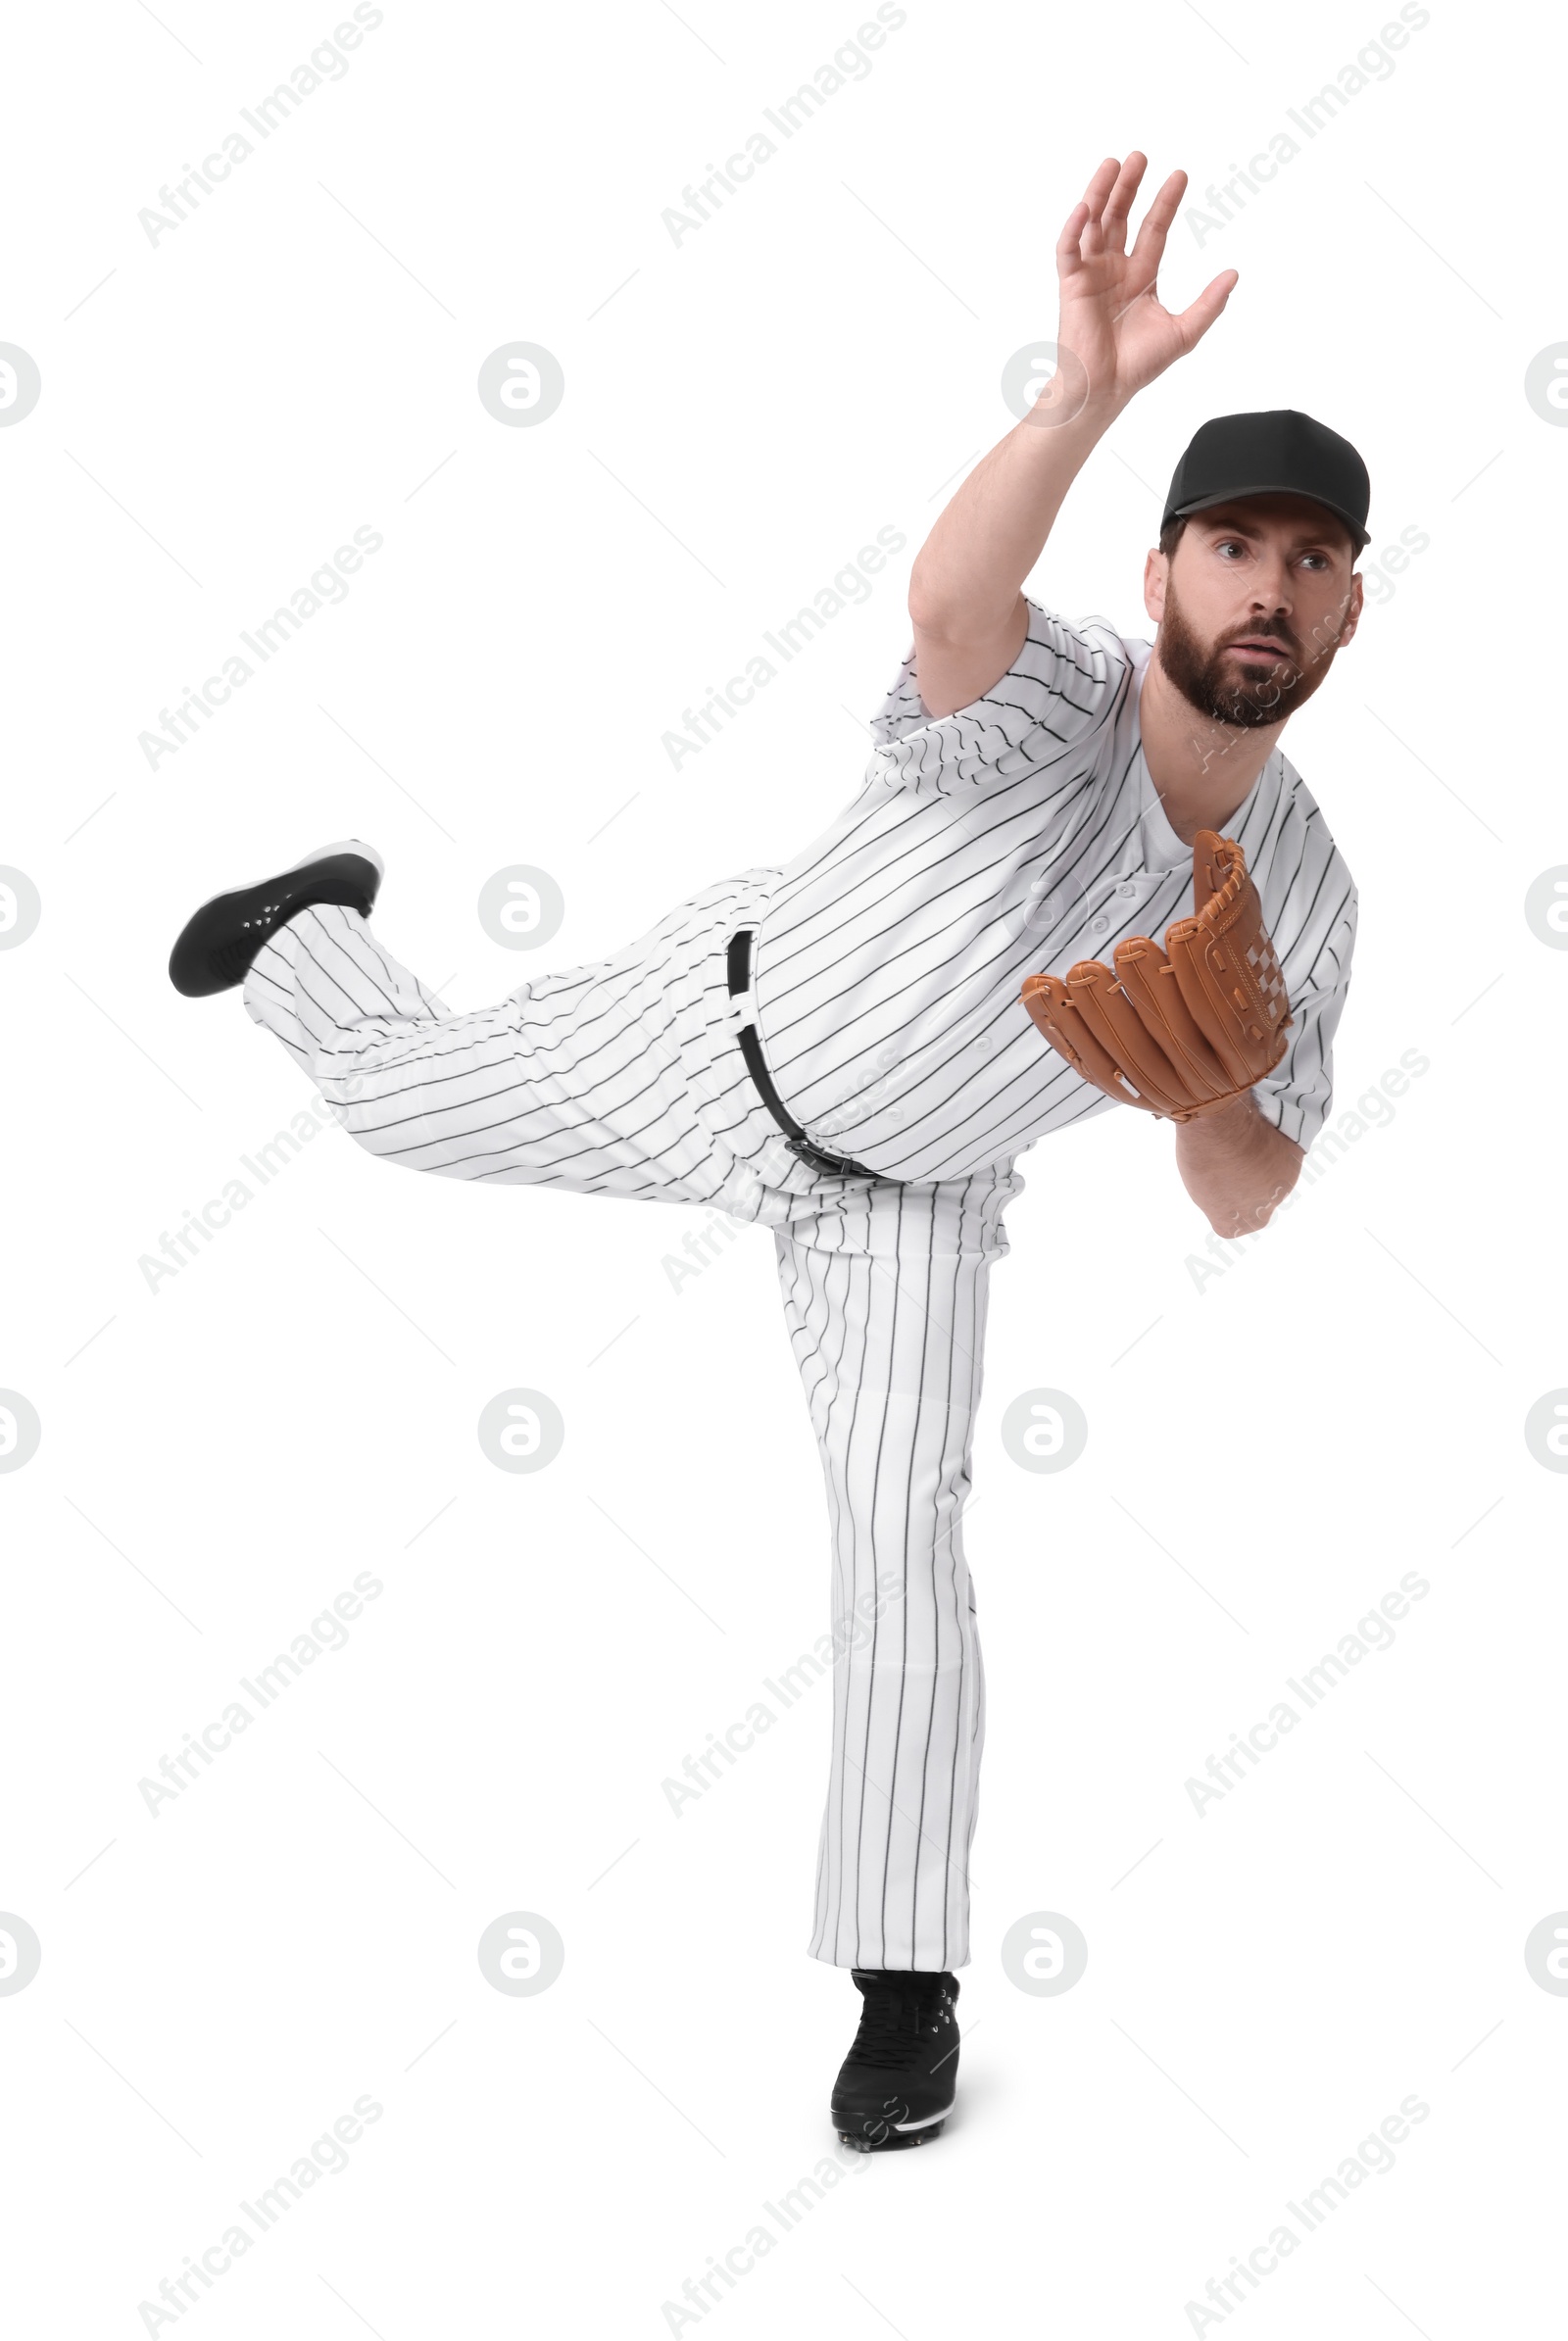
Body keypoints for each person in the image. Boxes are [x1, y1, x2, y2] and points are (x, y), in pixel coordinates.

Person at [168, 152, 1364, 2152]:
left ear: (1346, 602)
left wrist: (1216, 1099)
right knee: (399, 1107)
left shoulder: (1309, 892)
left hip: (907, 1207)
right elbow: (945, 603)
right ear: (1159, 574)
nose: (1266, 583)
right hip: (710, 1035)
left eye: (1308, 556)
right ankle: (313, 934)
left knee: (903, 1534)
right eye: (1230, 543)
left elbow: (1250, 1193)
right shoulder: (1053, 687)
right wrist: (1077, 397)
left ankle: (905, 1986)